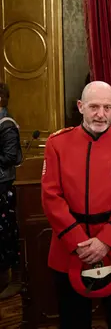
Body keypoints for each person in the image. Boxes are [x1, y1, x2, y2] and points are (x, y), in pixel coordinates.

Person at [40, 81, 111, 329]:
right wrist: (78, 243)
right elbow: (51, 196)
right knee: (73, 319)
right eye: (94, 107)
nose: (101, 114)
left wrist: (106, 241)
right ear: (80, 106)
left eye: (107, 107)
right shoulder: (57, 143)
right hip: (70, 247)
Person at [0, 83, 22, 297]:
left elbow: (9, 157)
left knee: (6, 235)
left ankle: (14, 278)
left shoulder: (6, 124)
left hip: (3, 186)